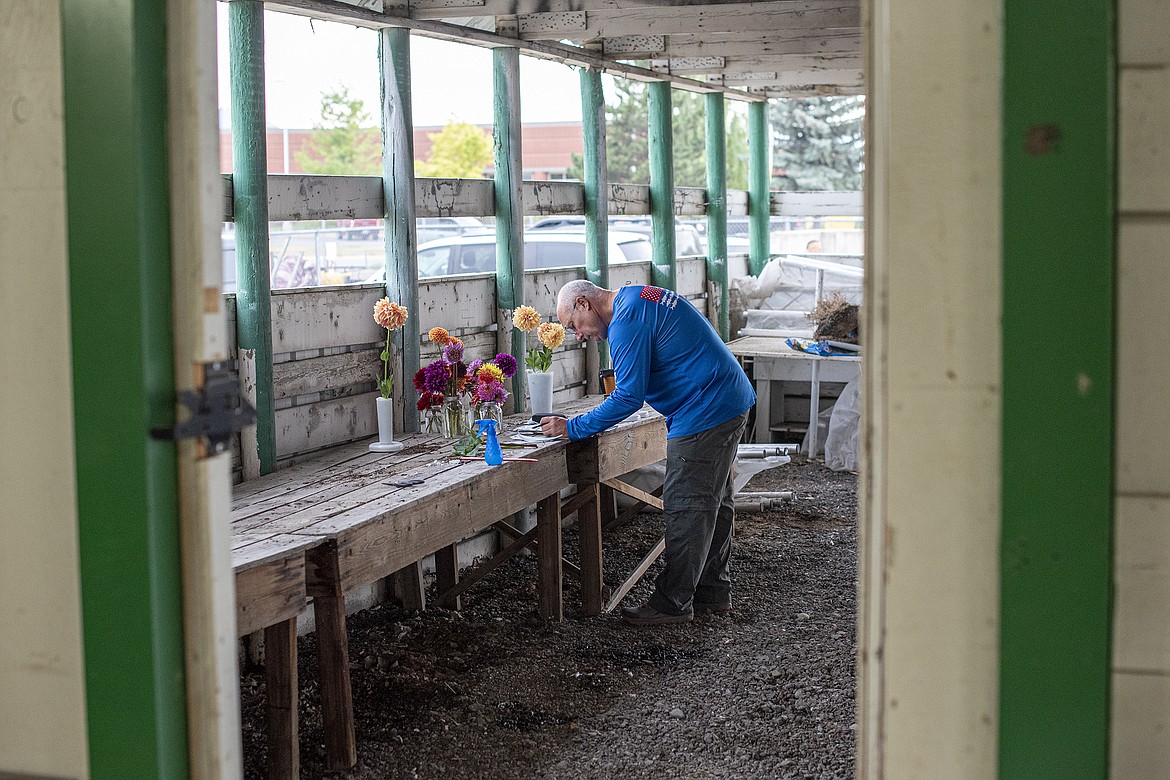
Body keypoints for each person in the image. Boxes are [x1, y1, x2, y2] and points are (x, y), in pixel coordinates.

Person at [539, 280, 755, 626]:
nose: (577, 335)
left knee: (687, 504)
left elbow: (627, 396)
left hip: (705, 408)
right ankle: (713, 593)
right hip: (726, 397)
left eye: (573, 325)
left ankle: (672, 604)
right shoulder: (638, 296)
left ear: (583, 303)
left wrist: (572, 427)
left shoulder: (625, 322)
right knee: (713, 501)